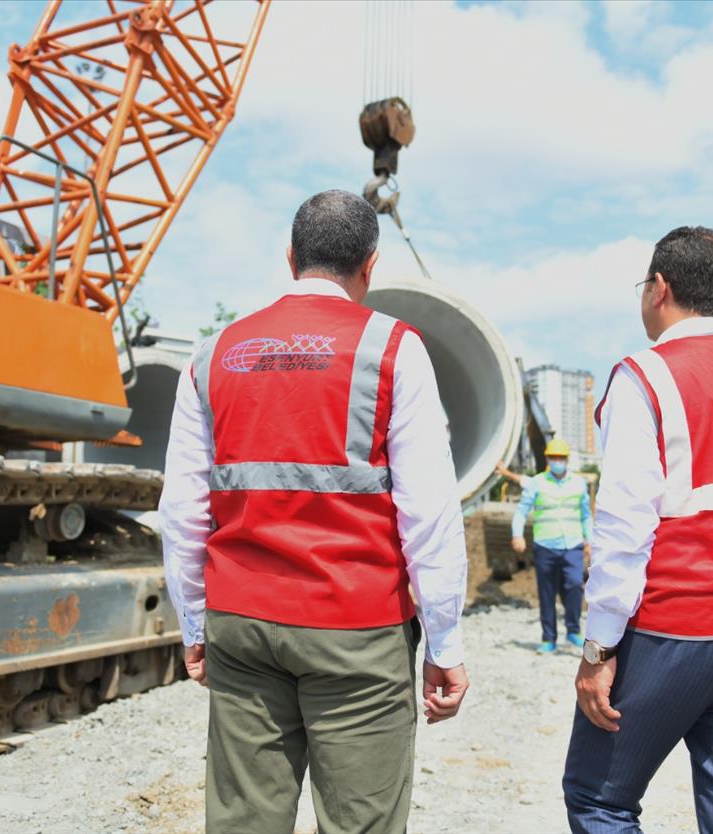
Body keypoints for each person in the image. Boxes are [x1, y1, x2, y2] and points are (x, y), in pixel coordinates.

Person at [158, 190, 470, 834]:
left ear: (291, 257)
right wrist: (445, 642)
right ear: (371, 265)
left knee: (244, 821)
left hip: (241, 625)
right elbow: (430, 516)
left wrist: (195, 626)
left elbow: (182, 512)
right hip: (357, 630)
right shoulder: (392, 350)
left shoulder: (213, 355)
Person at [563, 227, 713, 834]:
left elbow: (624, 527)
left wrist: (598, 649)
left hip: (678, 628)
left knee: (600, 800)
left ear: (660, 288)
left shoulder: (644, 376)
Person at [510, 438, 593, 654]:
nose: (557, 461)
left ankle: (573, 630)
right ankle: (549, 638)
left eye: (561, 458)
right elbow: (521, 510)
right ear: (547, 459)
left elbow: (586, 515)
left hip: (572, 545)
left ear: (567, 460)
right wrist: (517, 535)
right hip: (545, 546)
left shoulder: (578, 483)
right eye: (553, 457)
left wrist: (590, 541)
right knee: (546, 592)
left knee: (575, 584)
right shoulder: (536, 482)